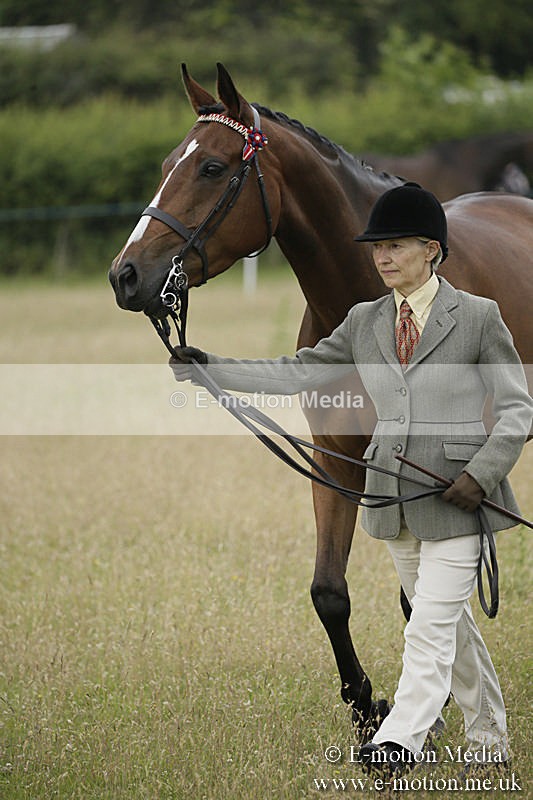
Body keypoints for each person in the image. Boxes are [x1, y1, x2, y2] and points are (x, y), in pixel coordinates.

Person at [170, 182, 533, 775]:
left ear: (432, 250)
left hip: (461, 496)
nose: (382, 257)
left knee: (430, 625)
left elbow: (519, 408)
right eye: (376, 247)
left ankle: (397, 741)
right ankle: (490, 739)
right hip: (393, 498)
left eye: (396, 245)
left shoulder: (477, 318)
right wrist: (214, 370)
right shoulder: (364, 323)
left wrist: (482, 473)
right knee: (449, 624)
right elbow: (300, 373)